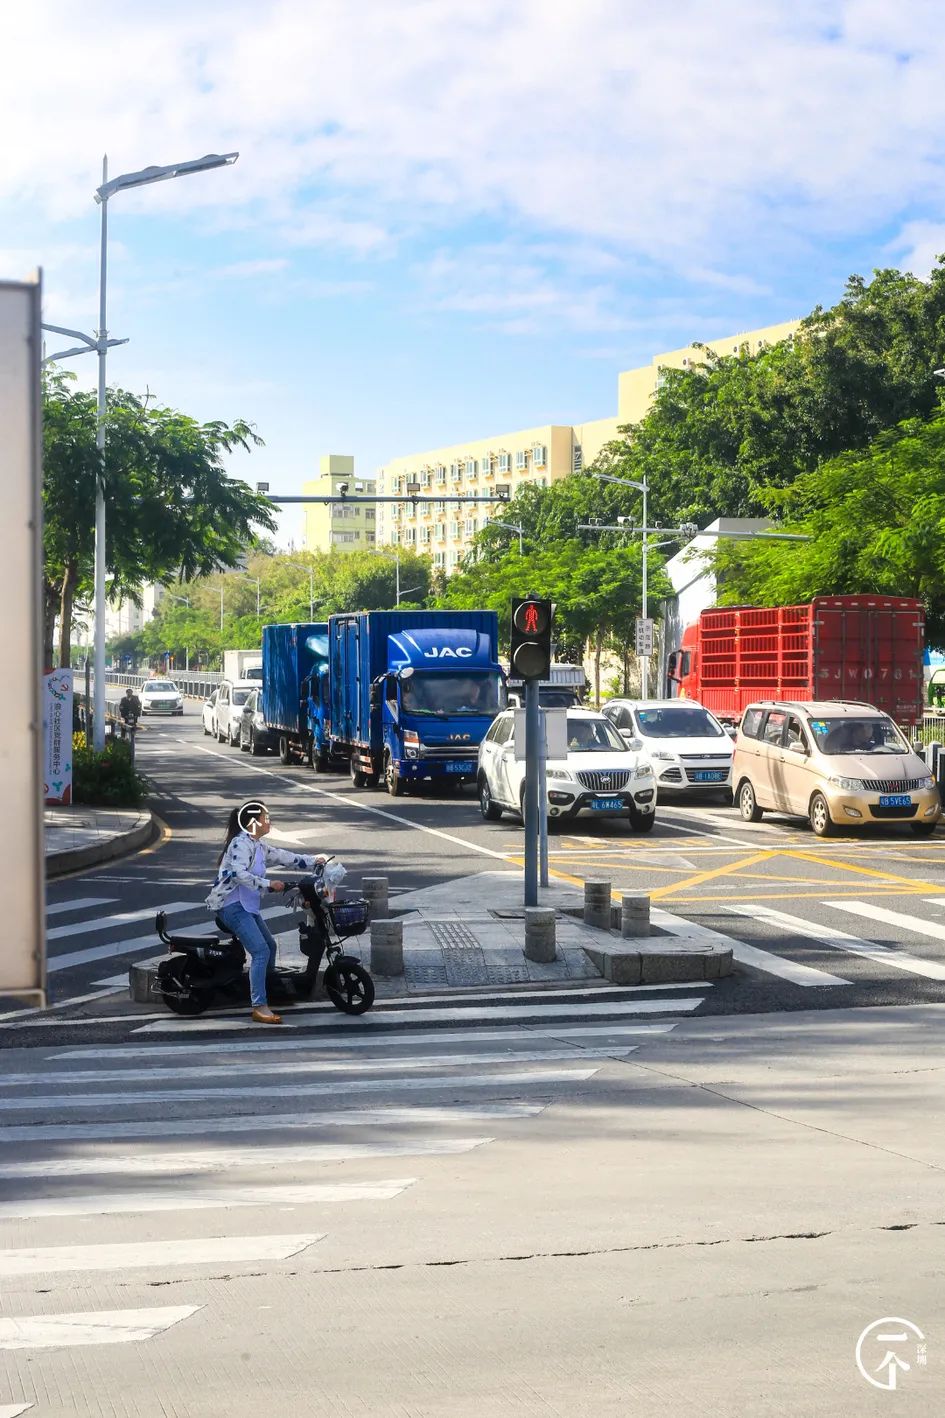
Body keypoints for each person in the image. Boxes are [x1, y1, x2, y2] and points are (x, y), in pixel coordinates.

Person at [205, 800, 326, 1025]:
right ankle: (259, 1006)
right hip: (231, 906)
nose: (269, 821)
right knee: (260, 951)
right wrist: (268, 884)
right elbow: (238, 874)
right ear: (253, 822)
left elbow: (283, 856)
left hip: (247, 906)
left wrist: (313, 861)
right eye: (265, 817)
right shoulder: (240, 844)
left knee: (270, 947)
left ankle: (268, 990)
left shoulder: (258, 845)